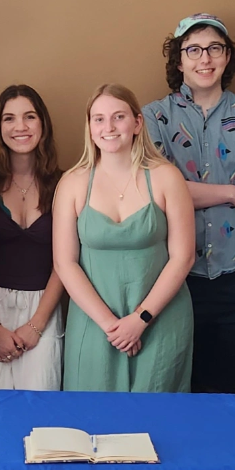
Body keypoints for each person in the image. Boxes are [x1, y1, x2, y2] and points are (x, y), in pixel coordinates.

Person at [143, 14, 235, 393]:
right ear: (179, 61)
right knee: (178, 390)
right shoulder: (153, 118)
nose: (204, 58)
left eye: (214, 49)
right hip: (174, 276)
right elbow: (158, 192)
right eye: (193, 50)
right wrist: (231, 193)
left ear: (226, 59)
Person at [54, 84, 195, 393]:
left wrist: (140, 320)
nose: (109, 127)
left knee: (156, 421)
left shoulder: (165, 177)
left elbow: (183, 257)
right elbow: (65, 264)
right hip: (94, 323)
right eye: (99, 119)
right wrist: (111, 326)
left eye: (118, 117)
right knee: (91, 422)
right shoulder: (73, 183)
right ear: (90, 128)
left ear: (137, 123)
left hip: (160, 320)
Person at [0, 85, 65, 391]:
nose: (20, 127)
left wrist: (37, 325)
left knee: (41, 411)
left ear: (43, 125)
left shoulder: (64, 184)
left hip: (44, 308)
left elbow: (66, 262)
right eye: (9, 119)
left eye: (29, 117)